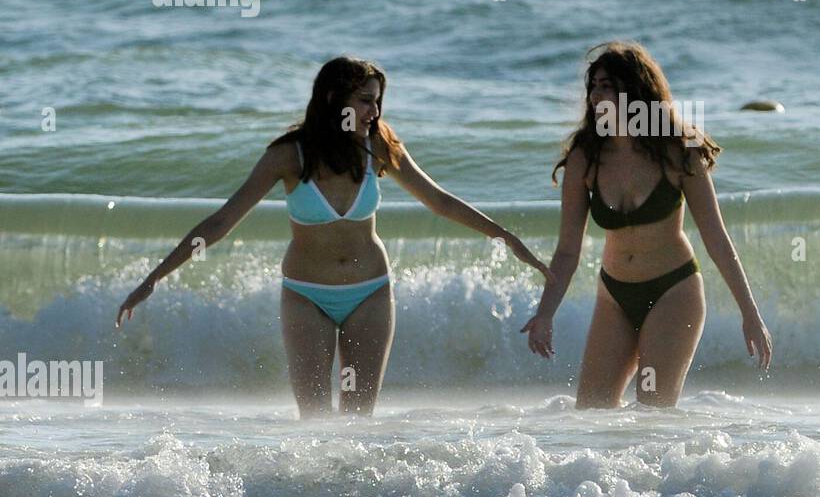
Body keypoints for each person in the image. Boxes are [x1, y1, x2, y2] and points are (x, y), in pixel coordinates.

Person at [116, 56, 550, 416]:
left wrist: (506, 238)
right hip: (307, 296)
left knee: (358, 422)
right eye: (364, 101)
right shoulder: (289, 156)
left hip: (371, 293)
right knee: (315, 423)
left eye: (377, 102)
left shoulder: (379, 145)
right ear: (331, 99)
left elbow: (439, 201)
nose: (373, 113)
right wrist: (153, 278)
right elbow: (220, 222)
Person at [522, 41, 772, 407]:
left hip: (674, 291)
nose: (595, 94)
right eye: (593, 86)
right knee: (591, 411)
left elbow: (716, 237)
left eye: (606, 85)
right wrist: (545, 313)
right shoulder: (585, 157)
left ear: (634, 89)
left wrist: (750, 314)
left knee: (652, 410)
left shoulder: (679, 150)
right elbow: (567, 250)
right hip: (614, 295)